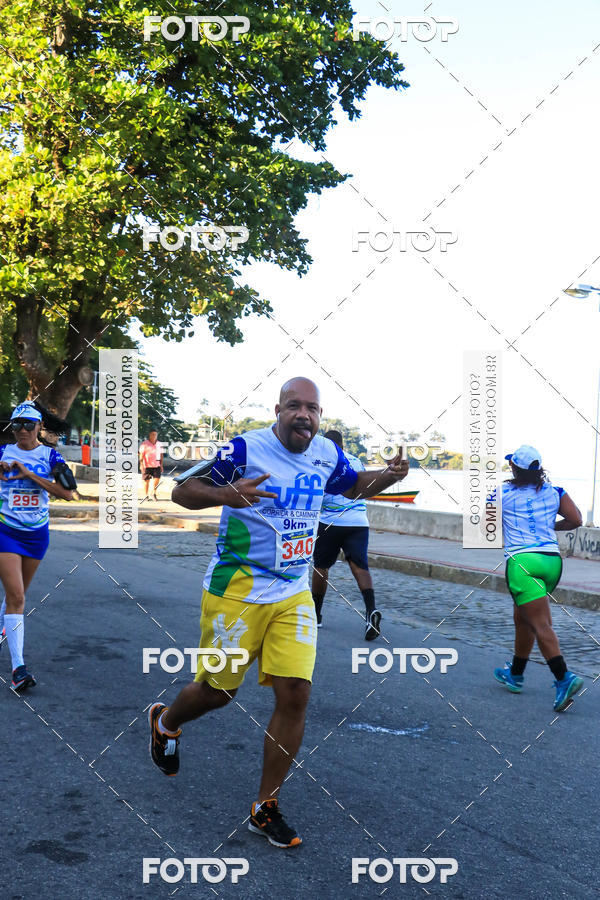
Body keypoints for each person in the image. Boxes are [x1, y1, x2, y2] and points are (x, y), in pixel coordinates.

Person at [148, 377, 408, 848]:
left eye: (312, 408)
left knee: (295, 695)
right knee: (217, 693)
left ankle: (264, 806)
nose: (303, 415)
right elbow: (182, 492)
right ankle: (166, 722)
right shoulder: (245, 449)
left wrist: (389, 477)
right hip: (236, 590)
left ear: (320, 416)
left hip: (292, 591)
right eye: (294, 406)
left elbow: (353, 486)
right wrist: (227, 495)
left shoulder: (327, 454)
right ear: (278, 409)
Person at [493, 445, 584, 712]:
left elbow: (484, 526)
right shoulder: (555, 491)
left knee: (541, 624)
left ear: (513, 468)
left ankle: (564, 677)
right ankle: (516, 674)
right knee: (523, 618)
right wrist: (549, 526)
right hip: (552, 562)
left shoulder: (502, 492)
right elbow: (576, 519)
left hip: (523, 563)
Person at [0, 401, 76, 691]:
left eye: (28, 424)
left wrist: (28, 474)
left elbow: (68, 495)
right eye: (16, 424)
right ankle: (18, 668)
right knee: (17, 596)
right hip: (5, 529)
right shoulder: (3, 452)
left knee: (15, 595)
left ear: (39, 427)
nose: (22, 430)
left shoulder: (50, 456)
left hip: (36, 534)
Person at [311, 429, 381, 640]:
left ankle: (316, 615)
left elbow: (319, 496)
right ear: (342, 444)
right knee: (360, 567)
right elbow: (365, 487)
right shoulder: (356, 461)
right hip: (359, 523)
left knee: (321, 567)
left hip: (330, 523)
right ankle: (370, 612)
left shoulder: (322, 462)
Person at [139, 429, 163, 501]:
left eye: (155, 434)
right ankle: (146, 495)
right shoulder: (144, 443)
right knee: (146, 482)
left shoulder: (159, 444)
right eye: (152, 434)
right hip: (147, 466)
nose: (154, 436)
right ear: (149, 435)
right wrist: (141, 465)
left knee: (157, 480)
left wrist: (161, 465)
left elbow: (161, 455)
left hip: (157, 465)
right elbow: (141, 455)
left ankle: (153, 494)